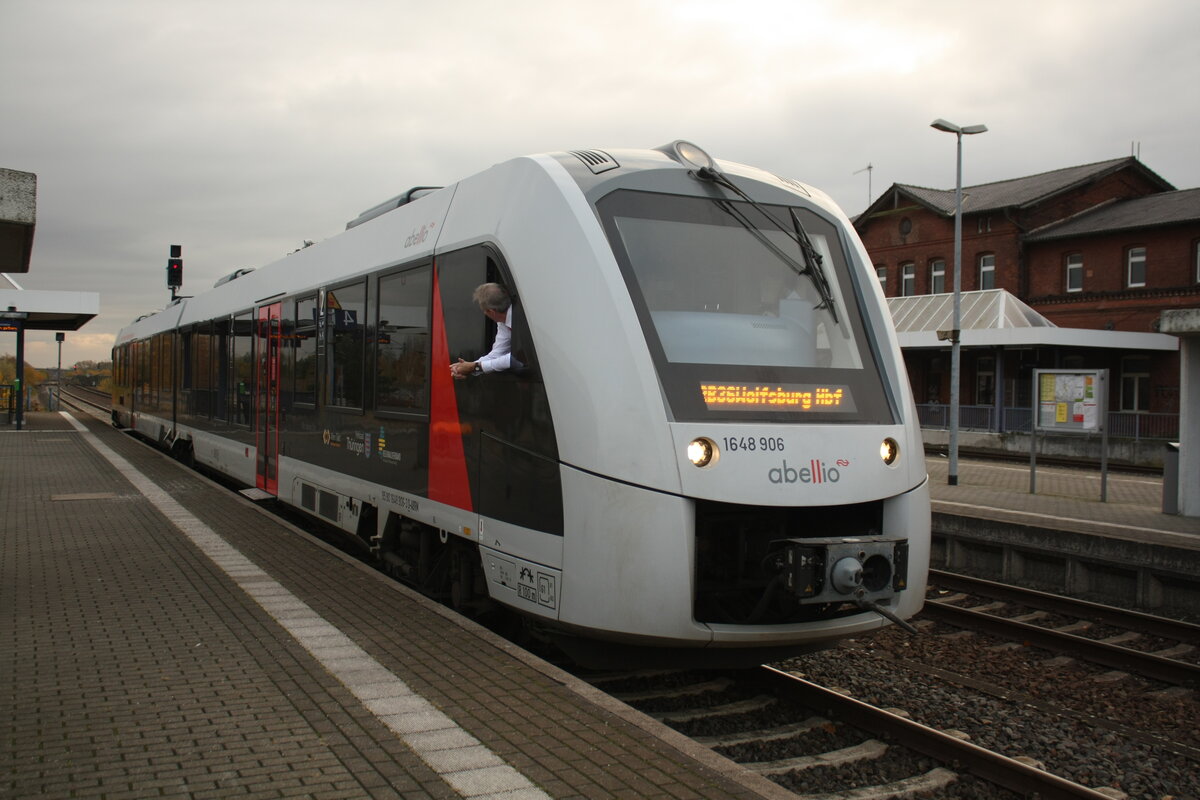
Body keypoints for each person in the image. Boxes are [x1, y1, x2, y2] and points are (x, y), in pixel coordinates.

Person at [451, 282, 513, 379]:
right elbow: (498, 353)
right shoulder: (502, 322)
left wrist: (475, 367)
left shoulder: (522, 319)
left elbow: (514, 359)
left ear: (491, 312)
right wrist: (468, 367)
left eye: (484, 311)